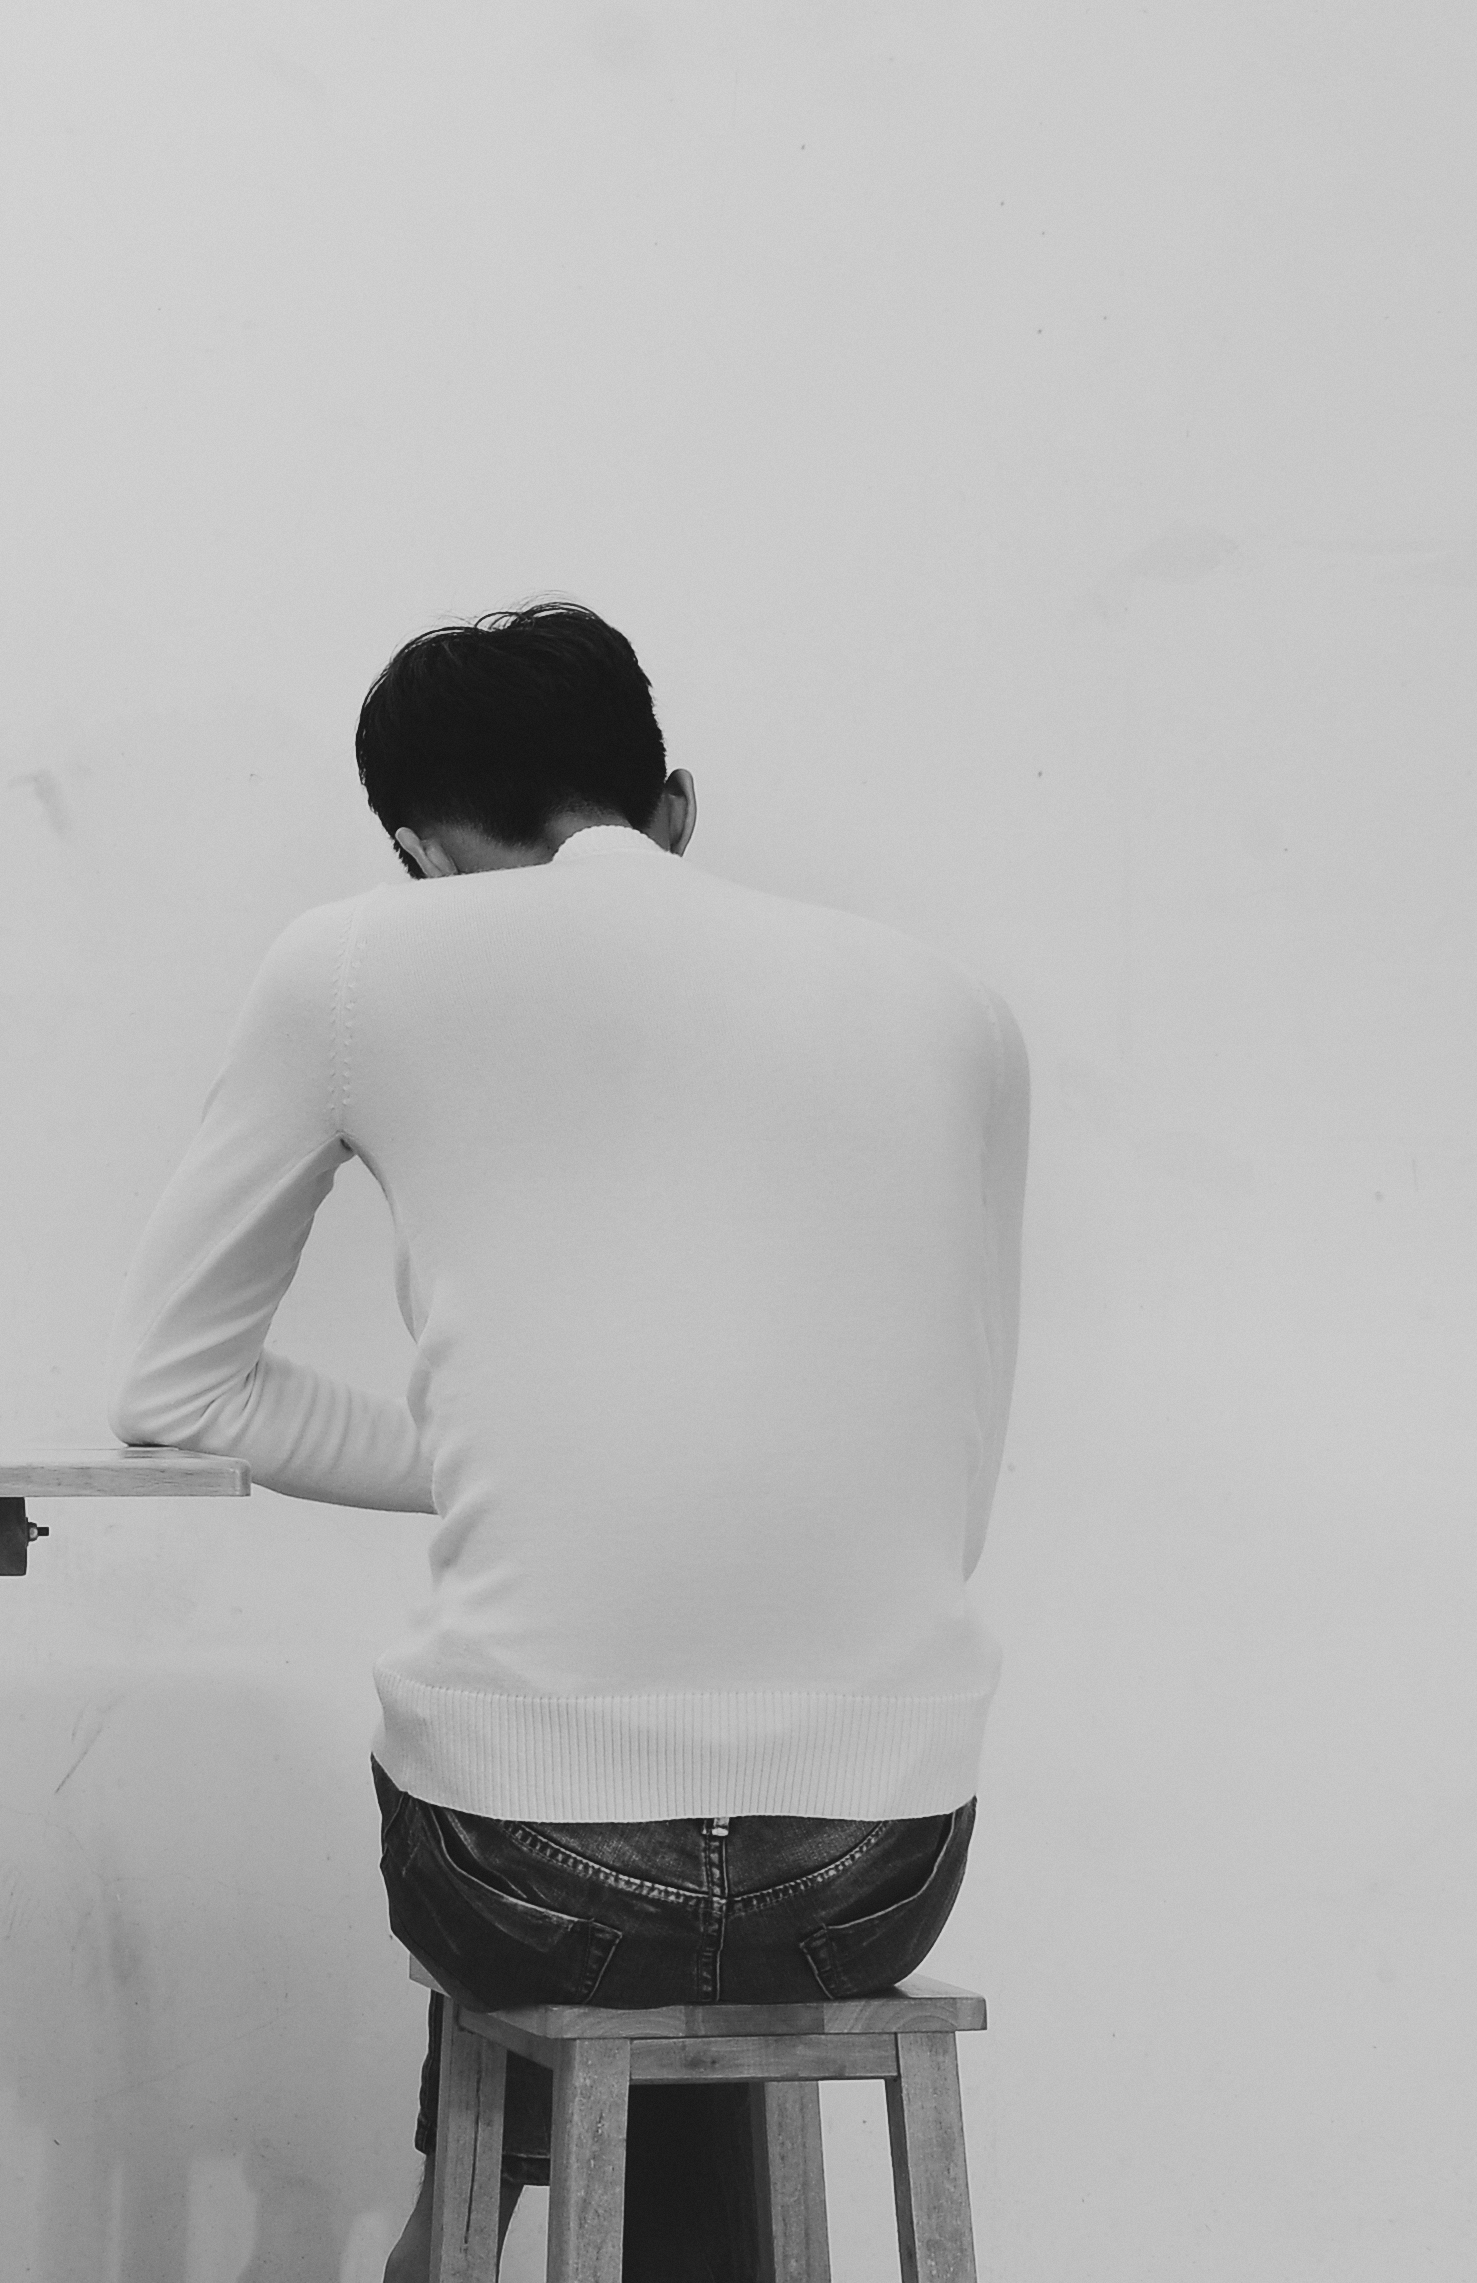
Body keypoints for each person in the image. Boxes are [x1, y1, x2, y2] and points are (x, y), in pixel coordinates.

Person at [110, 601, 1028, 2283]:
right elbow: (951, 1474)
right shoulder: (954, 1006)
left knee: (550, 1805)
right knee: (664, 1818)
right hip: (881, 1867)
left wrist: (495, 1466)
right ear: (674, 809)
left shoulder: (357, 963)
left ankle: (445, 2244)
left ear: (416, 848)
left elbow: (178, 1390)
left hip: (530, 1869)